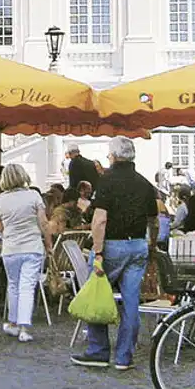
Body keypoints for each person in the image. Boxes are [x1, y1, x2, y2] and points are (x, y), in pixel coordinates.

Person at [71, 136, 158, 371]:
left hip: (112, 244)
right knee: (131, 303)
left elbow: (100, 219)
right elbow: (154, 219)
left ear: (113, 156)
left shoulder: (107, 180)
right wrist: (150, 245)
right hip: (138, 244)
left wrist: (98, 251)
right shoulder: (144, 183)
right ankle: (124, 357)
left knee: (96, 293)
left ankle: (98, 351)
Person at [0, 164, 48, 343]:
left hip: (11, 249)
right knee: (27, 287)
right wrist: (49, 244)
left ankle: (13, 323)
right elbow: (43, 223)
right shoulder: (34, 196)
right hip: (32, 247)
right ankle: (25, 327)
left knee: (13, 286)